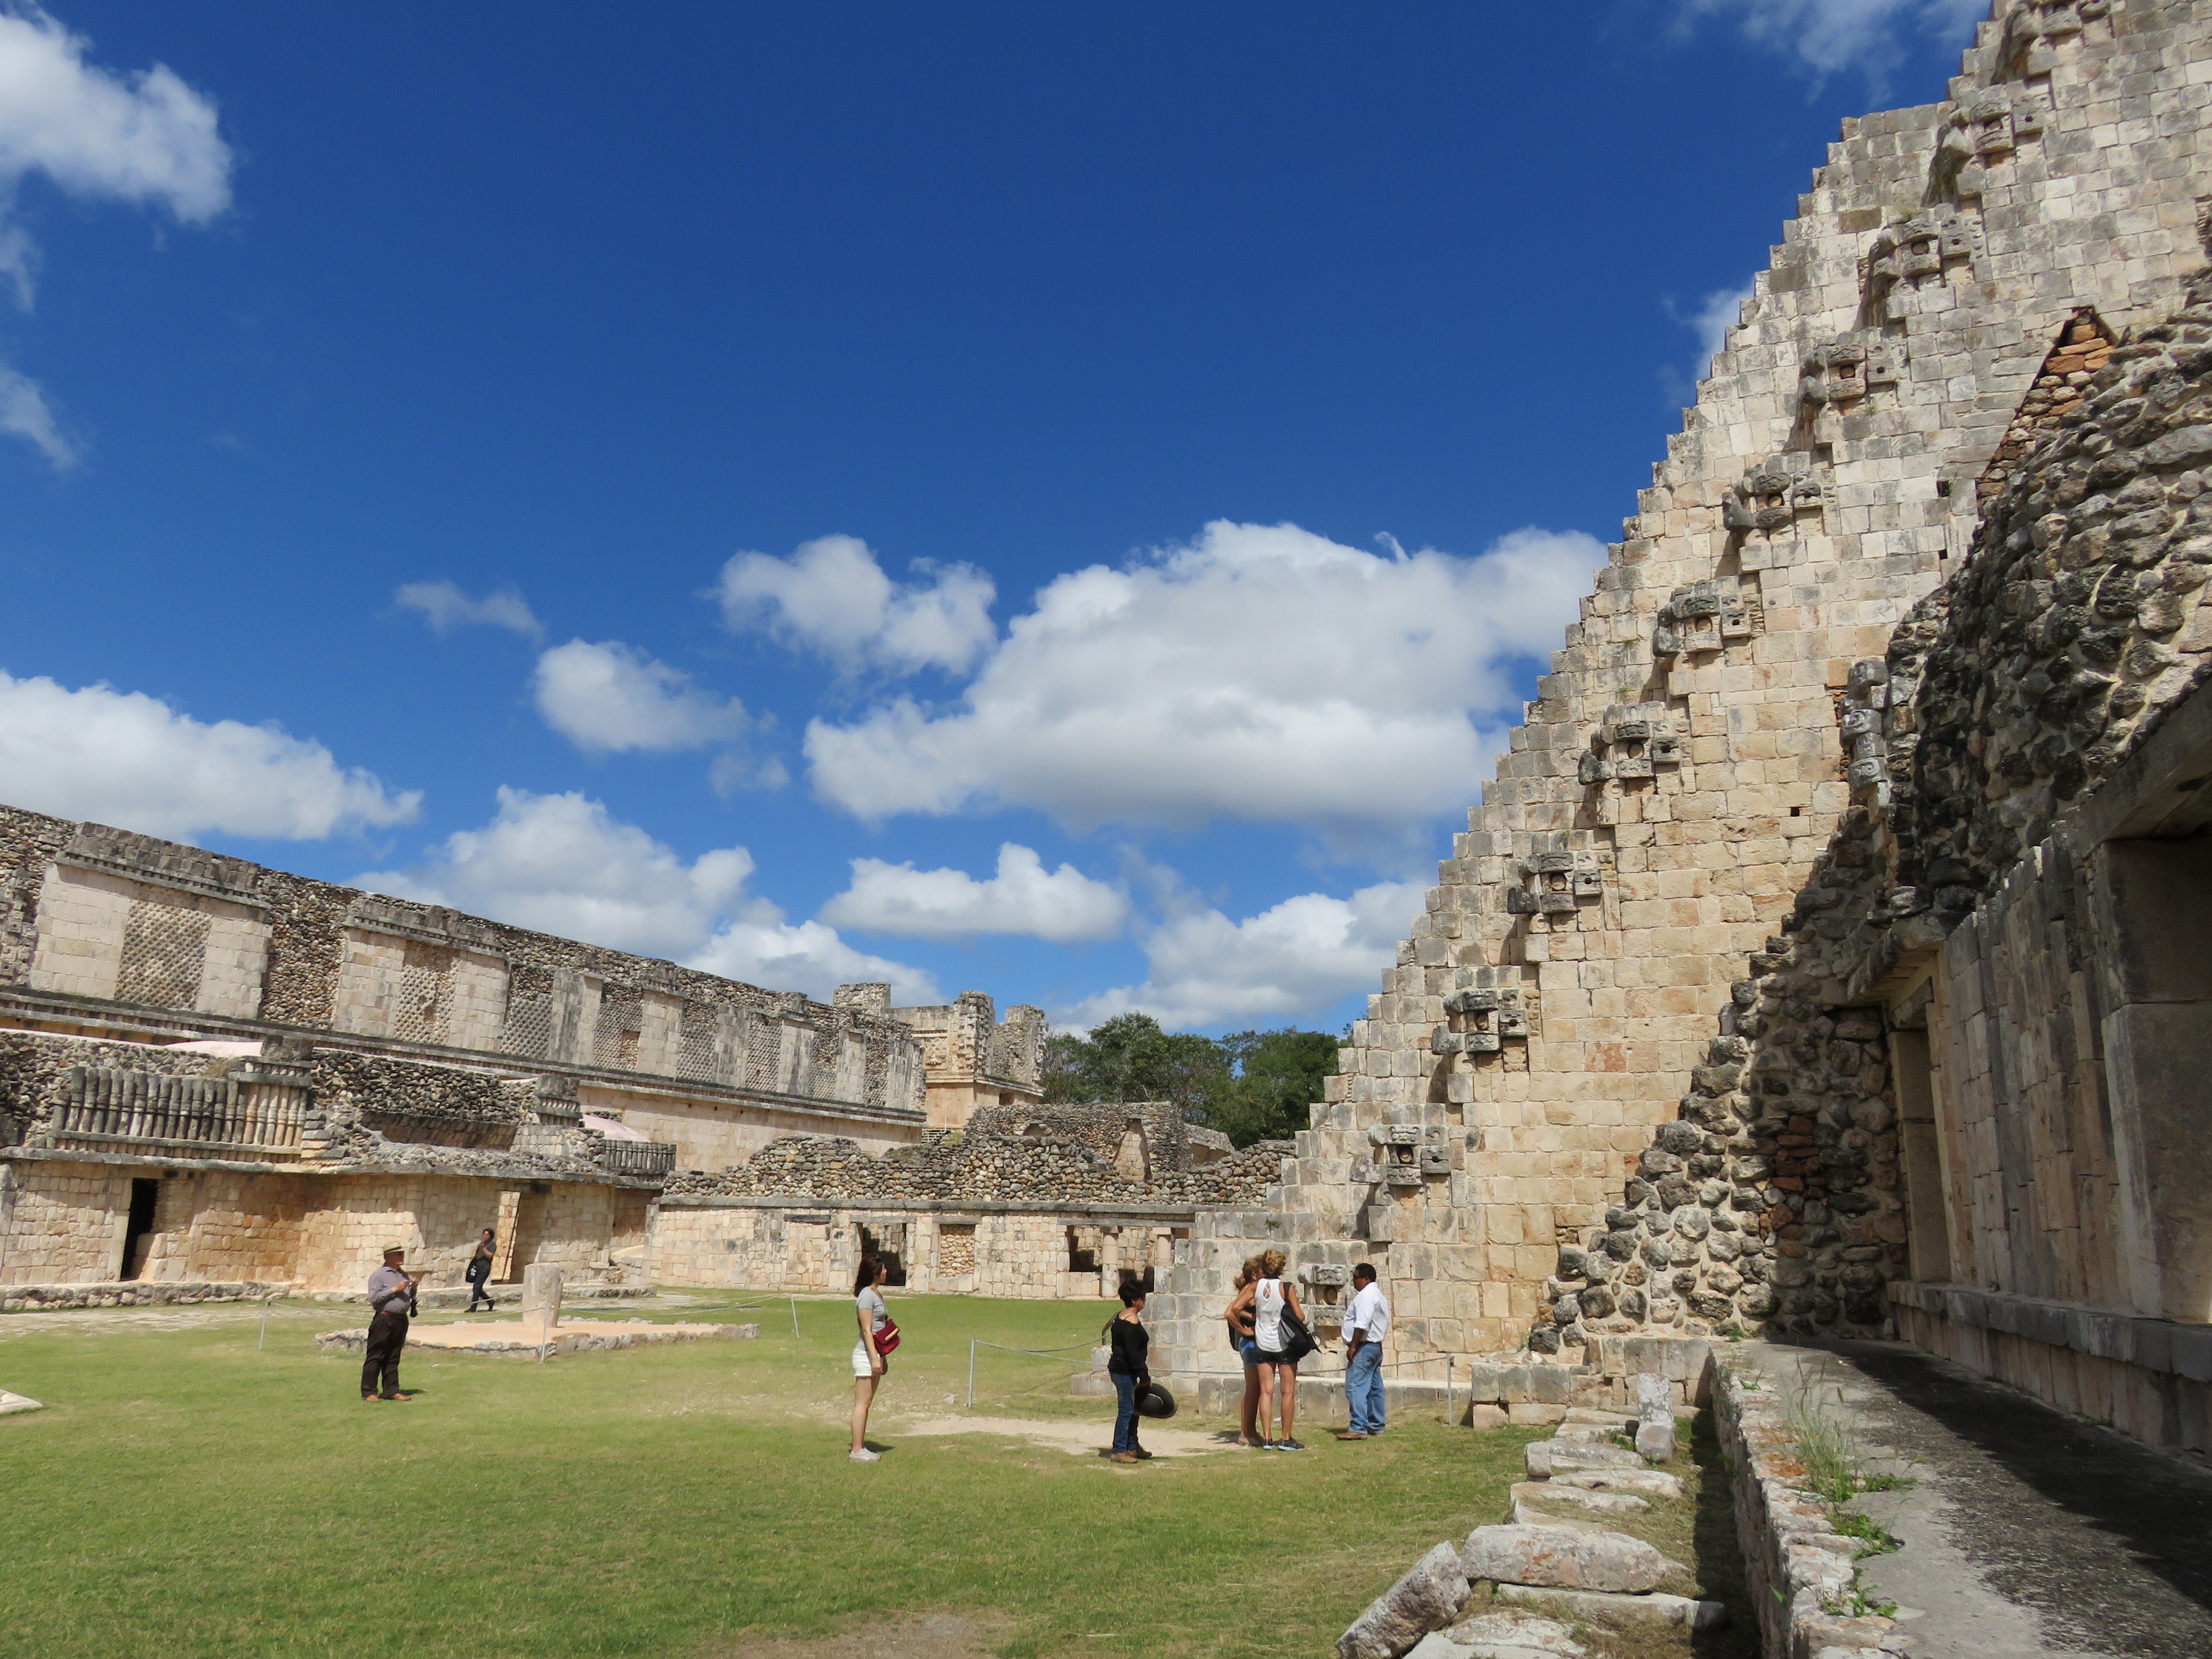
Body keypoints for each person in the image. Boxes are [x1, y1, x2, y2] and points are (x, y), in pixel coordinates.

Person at [1230, 1248, 1308, 1450]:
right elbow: (1300, 1316)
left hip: (1262, 1343)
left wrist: (1253, 1319)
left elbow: (1235, 1308)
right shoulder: (1286, 1287)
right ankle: (1286, 1438)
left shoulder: (1255, 1287)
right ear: (1281, 1268)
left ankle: (1266, 1438)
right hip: (1283, 1343)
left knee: (1266, 1391)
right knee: (1287, 1391)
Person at [1336, 1262, 1390, 1441]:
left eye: (1356, 1278)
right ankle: (1376, 1424)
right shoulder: (1378, 1295)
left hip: (1365, 1346)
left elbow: (1362, 1324)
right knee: (1374, 1387)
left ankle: (1358, 1426)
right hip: (1375, 1346)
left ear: (1366, 1279)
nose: (1354, 1281)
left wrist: (1353, 1346)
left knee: (1355, 1385)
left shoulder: (1367, 1296)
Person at [1105, 1281, 1153, 1464]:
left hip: (1125, 1370)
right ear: (1134, 1300)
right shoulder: (1131, 1322)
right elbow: (1133, 1355)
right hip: (1124, 1372)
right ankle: (1119, 1449)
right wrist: (1145, 1376)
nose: (1144, 1300)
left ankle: (1132, 1446)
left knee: (1134, 1410)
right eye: (1142, 1297)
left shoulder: (1121, 1317)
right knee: (1126, 1411)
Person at [362, 1244, 417, 1402]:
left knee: (394, 1356)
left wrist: (414, 1288)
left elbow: (408, 1296)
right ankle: (369, 1392)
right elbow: (374, 1298)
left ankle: (392, 1390)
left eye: (402, 1254)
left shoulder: (403, 1274)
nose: (402, 1256)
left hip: (401, 1320)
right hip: (384, 1319)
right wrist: (394, 1289)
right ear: (388, 1257)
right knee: (376, 1356)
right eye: (398, 1254)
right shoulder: (379, 1275)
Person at [849, 1254, 891, 1462]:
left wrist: (883, 1358)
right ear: (875, 1273)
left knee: (867, 1403)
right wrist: (874, 1358)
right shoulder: (867, 1295)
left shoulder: (876, 1294)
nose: (886, 1272)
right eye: (883, 1269)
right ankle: (857, 1450)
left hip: (875, 1353)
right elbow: (867, 1330)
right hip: (866, 1354)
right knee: (862, 1404)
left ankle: (861, 1447)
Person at [1222, 1256, 1263, 1448]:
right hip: (1250, 1344)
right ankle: (1246, 1433)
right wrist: (1244, 1329)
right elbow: (1230, 1312)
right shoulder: (1250, 1290)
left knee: (1255, 1390)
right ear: (1255, 1274)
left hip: (1252, 1344)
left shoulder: (1250, 1289)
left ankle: (1251, 1431)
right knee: (1253, 1389)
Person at [465, 1228, 497, 1312]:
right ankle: (490, 1302)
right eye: (484, 1234)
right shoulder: (481, 1244)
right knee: (478, 1288)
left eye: (487, 1235)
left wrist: (483, 1249)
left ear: (491, 1236)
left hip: (485, 1269)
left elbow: (490, 1256)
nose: (485, 1236)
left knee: (477, 1287)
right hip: (477, 1268)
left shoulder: (492, 1245)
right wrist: (475, 1256)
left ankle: (474, 1307)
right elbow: (477, 1254)